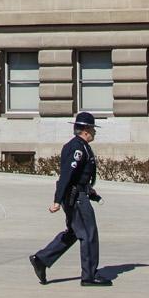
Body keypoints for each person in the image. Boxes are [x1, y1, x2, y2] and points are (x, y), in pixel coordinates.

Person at [30, 112, 109, 286]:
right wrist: (57, 201)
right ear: (86, 130)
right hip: (76, 199)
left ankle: (42, 259)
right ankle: (89, 275)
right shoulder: (77, 148)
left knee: (75, 233)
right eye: (93, 129)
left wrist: (91, 192)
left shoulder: (80, 146)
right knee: (88, 234)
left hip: (78, 194)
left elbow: (79, 176)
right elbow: (67, 175)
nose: (95, 133)